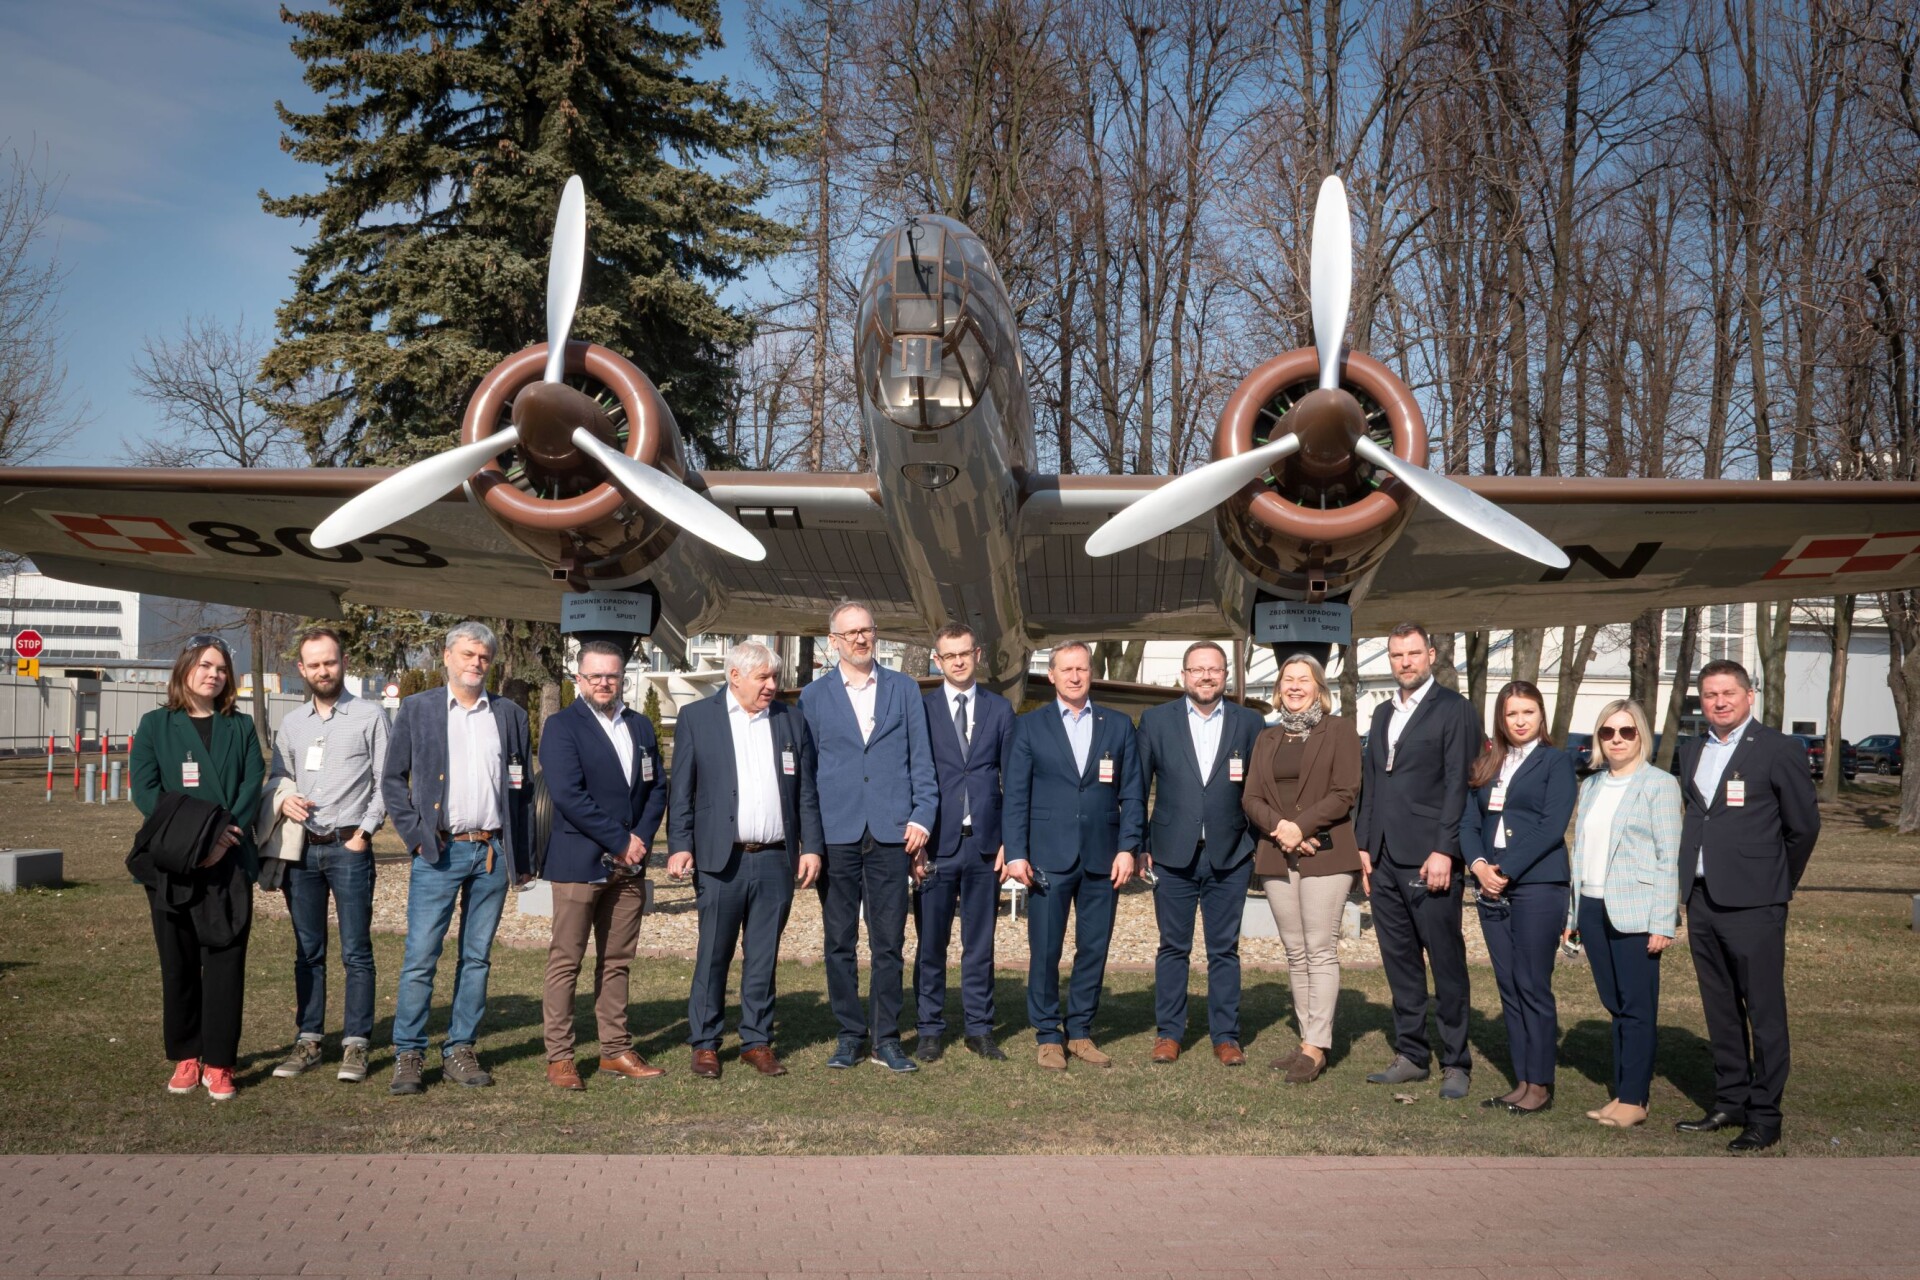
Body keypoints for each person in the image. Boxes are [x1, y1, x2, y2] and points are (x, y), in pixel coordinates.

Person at [381, 621, 533, 1096]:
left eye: (484, 657)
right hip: (439, 852)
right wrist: (417, 838)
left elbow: (522, 788)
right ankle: (409, 1053)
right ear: (447, 657)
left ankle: (460, 1048)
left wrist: (521, 854)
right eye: (468, 654)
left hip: (491, 854)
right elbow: (392, 780)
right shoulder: (418, 709)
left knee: (477, 958)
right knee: (421, 956)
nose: (476, 663)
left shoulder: (509, 715)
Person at [1674, 659, 1820, 1153]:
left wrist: (1778, 881)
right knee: (1720, 1007)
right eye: (1710, 695)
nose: (1719, 702)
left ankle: (1765, 1115)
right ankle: (1730, 1100)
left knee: (1764, 1010)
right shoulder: (1692, 750)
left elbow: (1803, 827)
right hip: (1702, 898)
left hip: (1757, 902)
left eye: (1728, 693)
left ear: (1749, 695)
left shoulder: (1778, 748)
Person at [668, 641, 824, 1080]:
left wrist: (812, 846)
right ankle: (705, 1043)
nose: (772, 685)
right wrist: (680, 844)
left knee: (763, 956)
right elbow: (681, 790)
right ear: (734, 676)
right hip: (721, 861)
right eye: (763, 677)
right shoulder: (698, 718)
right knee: (713, 954)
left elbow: (806, 791)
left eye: (775, 677)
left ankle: (756, 1041)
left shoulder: (791, 720)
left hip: (775, 860)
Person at [798, 601, 939, 1074]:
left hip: (891, 833)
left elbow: (922, 760)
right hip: (837, 834)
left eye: (867, 630)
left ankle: (886, 1038)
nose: (861, 639)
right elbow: (807, 775)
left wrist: (922, 816)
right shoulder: (814, 697)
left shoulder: (904, 689)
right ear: (833, 640)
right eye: (851, 632)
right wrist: (811, 841)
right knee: (839, 942)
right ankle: (849, 1035)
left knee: (888, 943)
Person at [129, 635, 264, 1102]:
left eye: (221, 668)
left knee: (225, 963)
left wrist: (223, 838)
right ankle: (187, 1055)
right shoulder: (155, 725)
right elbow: (145, 790)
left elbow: (251, 784)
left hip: (229, 860)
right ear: (185, 668)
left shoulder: (240, 726)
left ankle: (220, 1062)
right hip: (174, 861)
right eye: (206, 665)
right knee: (178, 963)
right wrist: (197, 838)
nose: (214, 674)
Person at [1003, 641, 1145, 1070]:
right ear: (1052, 675)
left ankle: (1080, 1030)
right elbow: (1016, 796)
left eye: (1081, 668)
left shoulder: (1117, 726)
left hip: (1103, 857)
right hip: (1048, 857)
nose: (1075, 676)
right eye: (1066, 669)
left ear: (1091, 672)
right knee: (1045, 950)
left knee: (1094, 948)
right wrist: (1016, 853)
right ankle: (1048, 1034)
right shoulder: (1030, 726)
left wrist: (1128, 848)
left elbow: (1133, 794)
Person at [1354, 622, 1481, 1100]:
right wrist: (1363, 845)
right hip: (1384, 856)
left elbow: (1459, 784)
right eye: (1396, 655)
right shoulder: (1383, 712)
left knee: (1445, 961)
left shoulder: (1454, 709)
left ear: (1430, 654)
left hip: (1431, 858)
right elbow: (1372, 782)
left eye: (1412, 653)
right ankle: (1411, 1055)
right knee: (1400, 962)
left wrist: (1446, 848)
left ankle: (1456, 1061)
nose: (1404, 662)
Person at [537, 641, 669, 1090]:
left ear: (622, 678)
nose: (604, 683)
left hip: (629, 867)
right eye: (595, 676)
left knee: (616, 961)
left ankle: (614, 1050)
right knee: (566, 961)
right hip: (580, 862)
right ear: (579, 679)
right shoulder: (562, 727)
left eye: (612, 675)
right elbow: (568, 795)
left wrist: (640, 841)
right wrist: (619, 840)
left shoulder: (640, 725)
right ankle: (560, 1057)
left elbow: (656, 788)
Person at [267, 626, 389, 1085]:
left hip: (349, 848)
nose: (323, 670)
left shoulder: (370, 716)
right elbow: (277, 778)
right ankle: (309, 1040)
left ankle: (356, 1044)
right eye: (314, 664)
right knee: (308, 951)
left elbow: (388, 781)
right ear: (302, 669)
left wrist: (365, 833)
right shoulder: (293, 724)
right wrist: (284, 800)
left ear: (343, 663)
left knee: (356, 951)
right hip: (302, 852)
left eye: (330, 662)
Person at [1136, 641, 1265, 1067]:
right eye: (1197, 669)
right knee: (1173, 947)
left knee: (1224, 949)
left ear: (1226, 675)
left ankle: (1226, 1036)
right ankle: (1169, 1033)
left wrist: (1255, 844)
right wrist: (1138, 847)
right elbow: (1137, 789)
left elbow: (1260, 789)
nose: (1206, 676)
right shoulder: (1156, 721)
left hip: (1230, 855)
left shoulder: (1250, 722)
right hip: (1171, 855)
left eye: (1214, 669)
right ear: (1184, 675)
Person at [1242, 653, 1362, 1084]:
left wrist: (1300, 827)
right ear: (1278, 689)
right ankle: (1306, 1037)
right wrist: (1282, 830)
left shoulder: (1340, 730)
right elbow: (1251, 797)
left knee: (1319, 948)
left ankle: (1317, 1046)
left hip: (1325, 854)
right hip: (1277, 852)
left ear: (1318, 688)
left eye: (1303, 679)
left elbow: (1345, 792)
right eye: (1287, 679)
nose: (1294, 686)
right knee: (1295, 951)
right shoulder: (1268, 738)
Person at [1460, 680, 1576, 1115]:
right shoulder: (1487, 764)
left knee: (1532, 984)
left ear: (1541, 715)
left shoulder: (1555, 761)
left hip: (1537, 884)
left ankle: (1540, 1085)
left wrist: (1504, 871)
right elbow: (1467, 823)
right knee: (1508, 985)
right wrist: (1479, 866)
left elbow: (1551, 826)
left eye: (1528, 712)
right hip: (1490, 883)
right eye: (1512, 714)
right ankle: (1523, 1080)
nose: (1520, 721)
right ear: (1501, 719)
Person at [1569, 698, 1682, 1130]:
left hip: (1636, 912)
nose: (1617, 739)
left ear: (1641, 736)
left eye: (1626, 731)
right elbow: (1581, 853)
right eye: (1608, 732)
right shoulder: (1592, 786)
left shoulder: (1659, 785)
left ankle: (1635, 1099)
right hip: (1593, 908)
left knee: (1636, 1006)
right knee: (1615, 1005)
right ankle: (1621, 1092)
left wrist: (1662, 922)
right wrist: (1574, 915)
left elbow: (1667, 858)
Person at [913, 623, 1015, 1062]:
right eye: (948, 655)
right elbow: (912, 776)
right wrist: (914, 842)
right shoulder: (922, 709)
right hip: (936, 843)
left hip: (985, 846)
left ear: (977, 655)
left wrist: (1011, 842)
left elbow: (1013, 781)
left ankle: (979, 1028)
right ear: (937, 660)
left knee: (980, 945)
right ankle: (929, 1029)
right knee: (930, 945)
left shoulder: (1000, 709)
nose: (957, 661)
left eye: (964, 653)